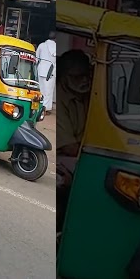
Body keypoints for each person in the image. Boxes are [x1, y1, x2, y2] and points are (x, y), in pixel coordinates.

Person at [56, 49, 92, 234]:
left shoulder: (91, 95)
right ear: (64, 77)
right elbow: (69, 147)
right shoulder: (60, 97)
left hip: (83, 153)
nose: (84, 81)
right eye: (77, 77)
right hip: (65, 155)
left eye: (86, 75)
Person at [36, 31, 56, 114]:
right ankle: (45, 109)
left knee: (41, 90)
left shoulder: (41, 45)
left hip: (41, 70)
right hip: (51, 71)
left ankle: (39, 106)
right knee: (48, 91)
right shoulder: (56, 46)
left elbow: (36, 58)